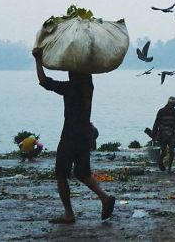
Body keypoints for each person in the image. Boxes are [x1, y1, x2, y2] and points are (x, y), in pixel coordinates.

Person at [32, 48, 114, 224]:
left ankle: (69, 214)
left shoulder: (70, 88)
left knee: (61, 174)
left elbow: (44, 81)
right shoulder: (88, 88)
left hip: (70, 136)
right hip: (85, 135)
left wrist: (38, 60)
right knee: (83, 173)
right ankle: (105, 198)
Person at [151, 96, 175, 171]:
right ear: (168, 104)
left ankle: (169, 168)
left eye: (174, 105)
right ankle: (160, 161)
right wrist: (154, 135)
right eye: (172, 105)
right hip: (163, 134)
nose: (173, 107)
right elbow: (156, 123)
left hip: (172, 134)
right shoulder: (161, 111)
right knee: (164, 151)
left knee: (172, 151)